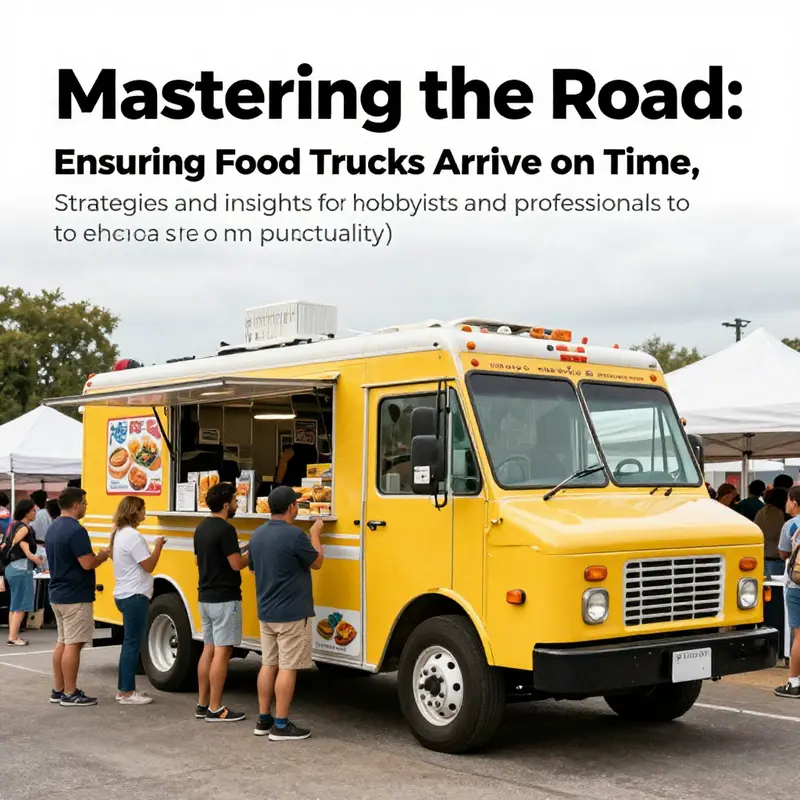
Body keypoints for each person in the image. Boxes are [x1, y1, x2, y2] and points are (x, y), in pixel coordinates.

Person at [249, 486, 324, 740]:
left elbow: (251, 567)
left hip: (266, 611)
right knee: (288, 667)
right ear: (292, 507)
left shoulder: (257, 535)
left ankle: (263, 719)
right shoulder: (296, 536)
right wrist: (315, 533)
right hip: (292, 613)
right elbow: (317, 562)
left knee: (268, 664)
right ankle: (280, 725)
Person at [45, 487, 111, 707]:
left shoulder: (53, 527)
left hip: (57, 592)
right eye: (84, 502)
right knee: (74, 644)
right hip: (75, 594)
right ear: (75, 505)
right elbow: (87, 563)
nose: (85, 506)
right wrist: (102, 556)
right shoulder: (76, 530)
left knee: (62, 642)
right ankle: (71, 692)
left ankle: (58, 689)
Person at [193, 482, 250, 722]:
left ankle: (202, 703)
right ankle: (216, 708)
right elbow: (236, 564)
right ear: (226, 505)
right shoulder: (226, 530)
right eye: (235, 501)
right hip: (225, 598)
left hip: (205, 596)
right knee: (223, 652)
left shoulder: (201, 528)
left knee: (208, 649)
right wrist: (252, 552)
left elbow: (199, 562)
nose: (237, 505)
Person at [109, 496, 166, 705]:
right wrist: (159, 546)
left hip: (123, 593)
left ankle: (126, 689)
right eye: (143, 509)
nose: (145, 513)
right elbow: (149, 565)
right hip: (135, 595)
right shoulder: (133, 536)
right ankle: (125, 692)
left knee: (130, 642)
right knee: (132, 644)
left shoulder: (118, 534)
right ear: (135, 511)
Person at [5, 500, 43, 646]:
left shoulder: (15, 526)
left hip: (13, 568)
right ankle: (13, 637)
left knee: (14, 604)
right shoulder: (24, 528)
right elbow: (23, 549)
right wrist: (39, 560)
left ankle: (13, 635)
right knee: (20, 604)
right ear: (26, 512)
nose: (35, 513)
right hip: (20, 569)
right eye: (33, 510)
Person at [776, 486, 800, 698]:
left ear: (794, 502)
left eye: (787, 500)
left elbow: (783, 553)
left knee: (799, 635)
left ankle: (794, 682)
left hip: (796, 584)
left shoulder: (791, 525)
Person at [755, 488, 788, 577]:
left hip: (767, 556)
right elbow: (774, 533)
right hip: (773, 557)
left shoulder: (763, 511)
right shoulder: (775, 513)